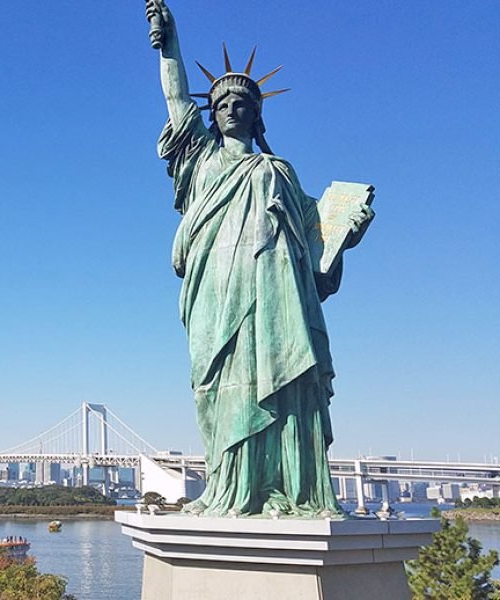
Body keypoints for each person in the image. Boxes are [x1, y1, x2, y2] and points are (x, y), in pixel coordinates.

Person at [145, 1, 373, 517]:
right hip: (214, 288)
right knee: (218, 386)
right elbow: (176, 98)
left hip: (275, 292)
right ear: (213, 112)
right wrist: (168, 43)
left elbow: (317, 250)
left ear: (256, 113)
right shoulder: (200, 158)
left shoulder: (280, 171)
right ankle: (230, 487)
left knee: (283, 378)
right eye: (221, 103)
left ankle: (286, 489)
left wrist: (346, 237)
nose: (230, 109)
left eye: (241, 104)